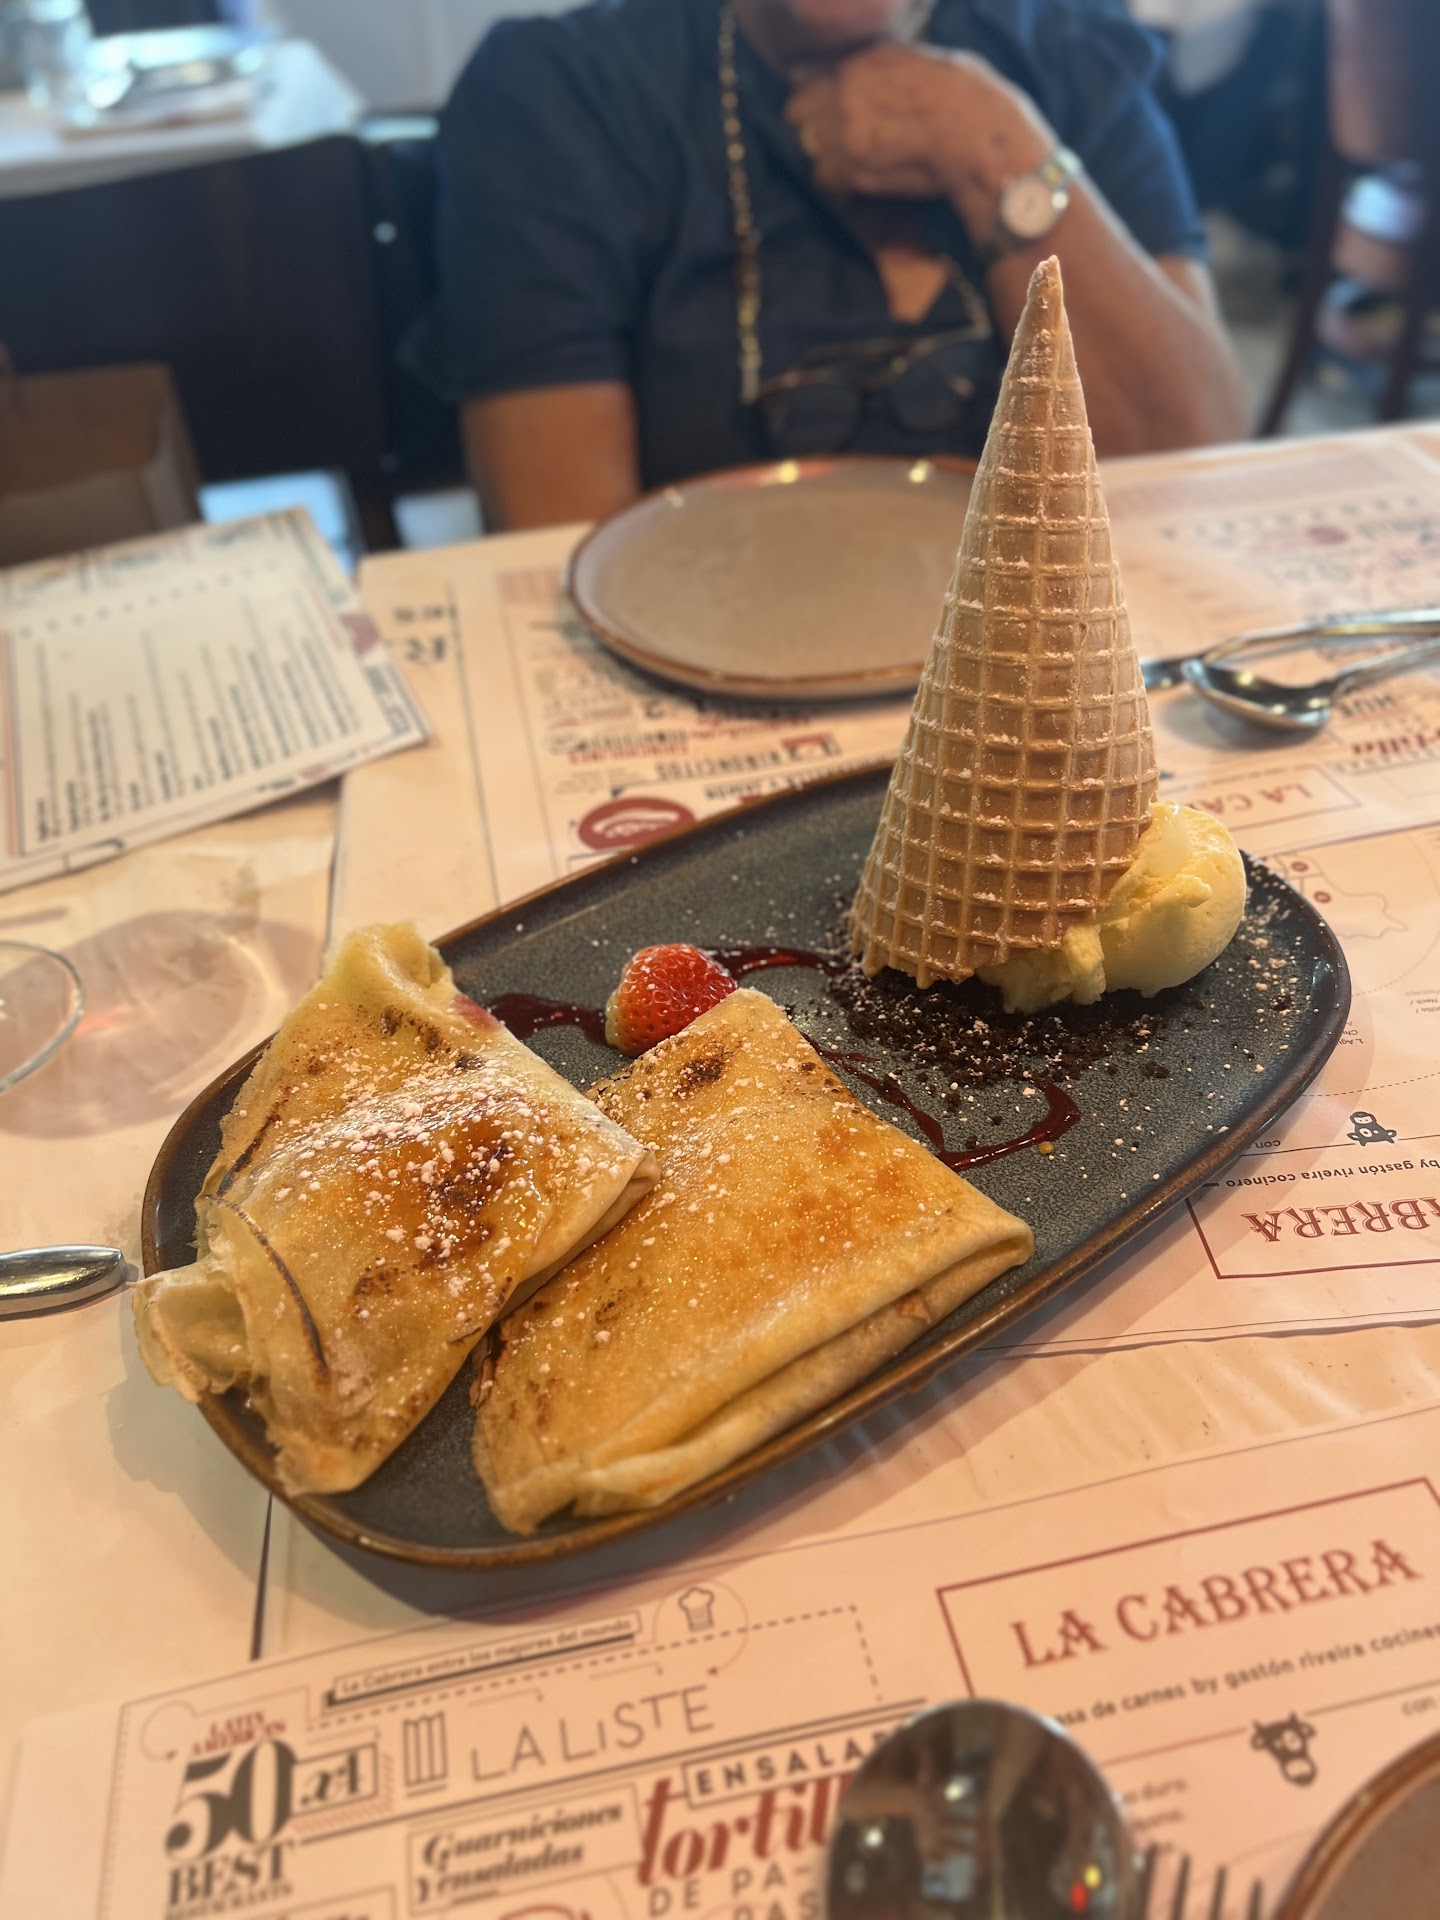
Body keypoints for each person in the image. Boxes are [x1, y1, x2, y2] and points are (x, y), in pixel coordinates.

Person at [406, 0, 1250, 531]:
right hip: (715, 671)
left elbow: (1191, 469)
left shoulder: (1070, 53)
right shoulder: (559, 92)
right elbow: (565, 542)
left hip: (1031, 669)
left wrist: (993, 151)